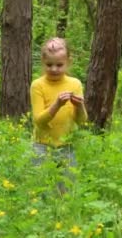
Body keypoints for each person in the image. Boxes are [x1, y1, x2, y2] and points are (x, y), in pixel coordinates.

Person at [30, 37, 88, 196]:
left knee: (67, 191)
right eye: (49, 65)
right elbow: (38, 121)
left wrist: (80, 105)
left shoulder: (75, 84)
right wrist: (57, 104)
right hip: (42, 146)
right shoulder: (38, 85)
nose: (54, 69)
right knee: (42, 190)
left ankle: (64, 219)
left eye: (59, 65)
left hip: (66, 147)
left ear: (68, 62)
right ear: (43, 62)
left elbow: (82, 121)